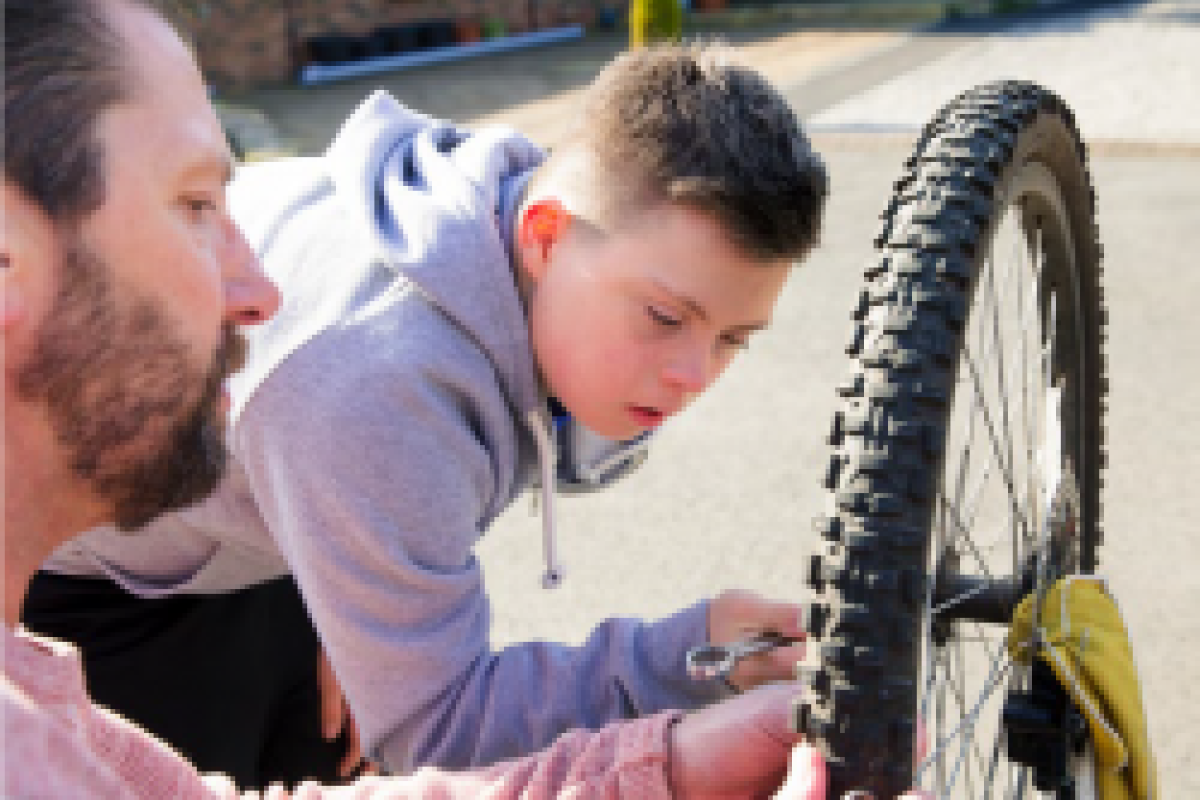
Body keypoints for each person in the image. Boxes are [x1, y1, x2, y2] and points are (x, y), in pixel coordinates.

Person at [0, 1, 939, 797]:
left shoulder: (503, 220)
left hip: (262, 499)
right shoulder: (368, 382)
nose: (696, 376)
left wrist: (350, 578)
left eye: (734, 339)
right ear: (543, 235)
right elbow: (436, 733)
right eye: (664, 317)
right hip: (107, 576)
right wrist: (669, 665)